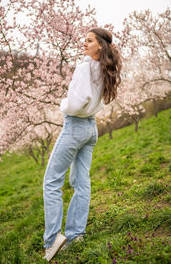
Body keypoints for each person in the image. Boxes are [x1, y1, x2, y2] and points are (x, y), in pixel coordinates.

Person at [43, 28, 122, 262]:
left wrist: (63, 103)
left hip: (76, 126)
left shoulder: (84, 68)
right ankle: (76, 234)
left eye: (89, 41)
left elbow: (75, 104)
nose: (84, 44)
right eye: (85, 40)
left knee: (51, 181)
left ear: (100, 46)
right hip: (90, 129)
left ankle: (53, 240)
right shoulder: (105, 69)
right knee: (81, 181)